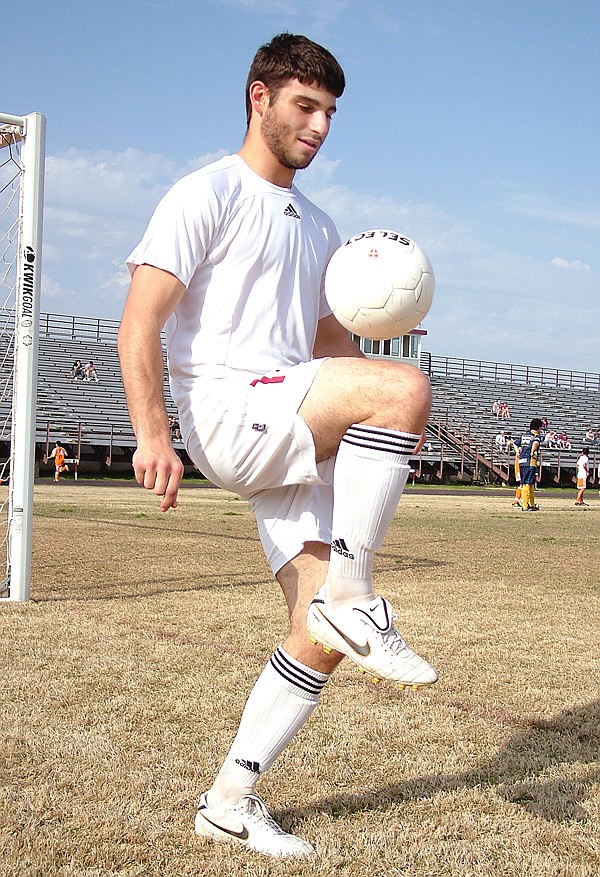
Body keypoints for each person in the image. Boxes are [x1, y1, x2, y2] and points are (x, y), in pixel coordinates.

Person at [118, 32, 437, 859]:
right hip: (231, 406)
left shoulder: (321, 225)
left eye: (331, 111)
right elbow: (140, 321)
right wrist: (154, 431)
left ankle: (231, 796)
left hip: (291, 419)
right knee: (404, 390)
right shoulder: (206, 193)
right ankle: (358, 591)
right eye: (305, 105)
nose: (321, 125)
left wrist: (379, 342)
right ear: (258, 97)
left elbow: (332, 350)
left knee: (318, 632)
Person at [518, 418, 542, 511]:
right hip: (530, 462)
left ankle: (532, 504)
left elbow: (515, 443)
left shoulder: (524, 435)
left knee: (530, 484)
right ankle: (525, 506)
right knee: (527, 484)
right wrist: (533, 452)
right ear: (538, 427)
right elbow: (535, 443)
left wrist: (517, 451)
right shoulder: (536, 436)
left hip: (522, 461)